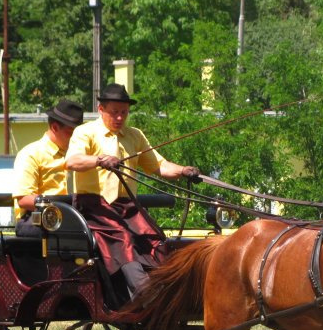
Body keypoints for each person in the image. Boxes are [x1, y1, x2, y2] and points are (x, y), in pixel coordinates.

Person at [65, 83, 200, 298]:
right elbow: (72, 161)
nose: (120, 118)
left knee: (154, 237)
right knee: (122, 237)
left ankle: (170, 287)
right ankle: (145, 293)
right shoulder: (85, 132)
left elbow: (158, 165)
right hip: (94, 206)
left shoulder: (135, 135)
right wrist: (99, 160)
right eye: (114, 112)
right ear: (101, 110)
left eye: (124, 113)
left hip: (126, 205)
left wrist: (183, 170)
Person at [11, 98, 85, 237]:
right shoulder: (30, 154)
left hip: (74, 217)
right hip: (37, 218)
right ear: (55, 127)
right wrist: (59, 207)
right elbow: (24, 199)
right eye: (71, 133)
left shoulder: (80, 156)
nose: (76, 138)